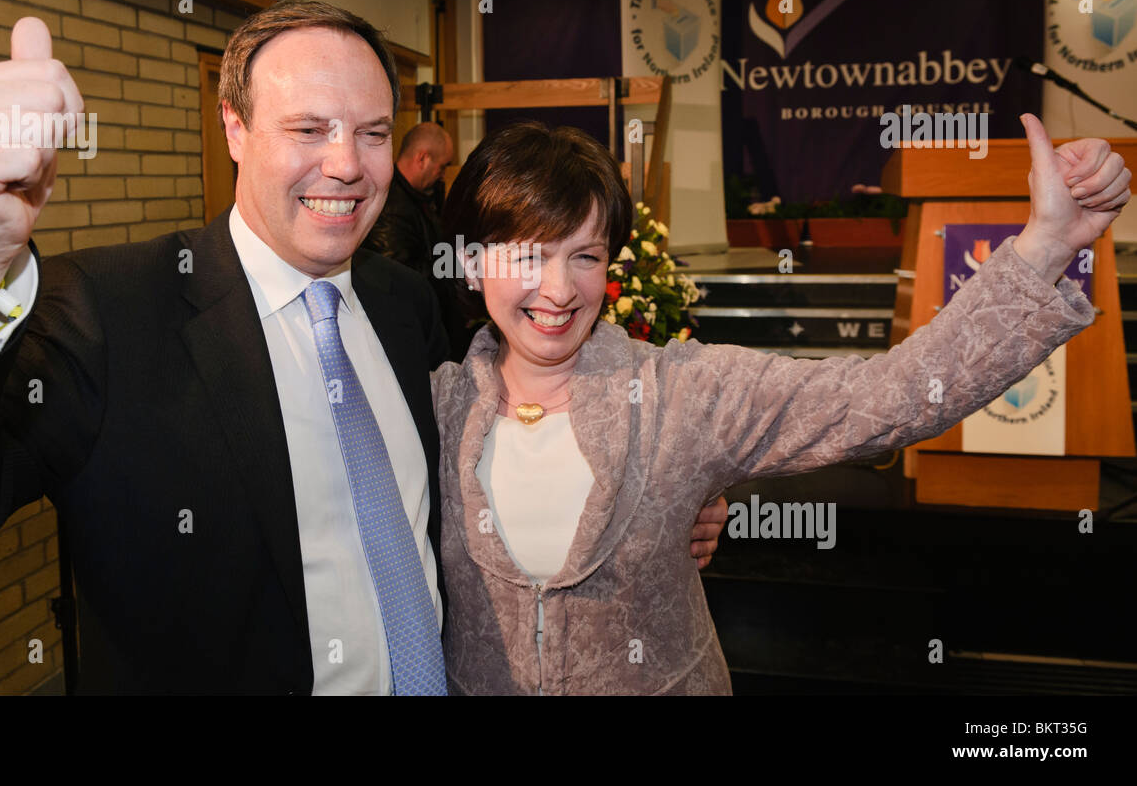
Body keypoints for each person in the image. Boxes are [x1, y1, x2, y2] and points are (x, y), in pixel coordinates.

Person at [0, 0, 722, 694]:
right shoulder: (110, 308)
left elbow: (493, 446)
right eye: (309, 129)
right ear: (233, 126)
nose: (347, 164)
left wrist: (657, 493)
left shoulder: (404, 302)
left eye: (372, 133)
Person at [430, 117, 1129, 695]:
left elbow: (890, 397)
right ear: (471, 261)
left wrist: (1046, 245)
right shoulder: (431, 405)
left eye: (584, 255)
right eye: (527, 255)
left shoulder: (683, 394)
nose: (558, 289)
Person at [362, 122, 472, 358]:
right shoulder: (392, 206)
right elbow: (401, 276)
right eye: (441, 167)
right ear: (422, 158)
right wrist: (454, 264)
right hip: (406, 328)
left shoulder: (418, 197)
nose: (442, 175)